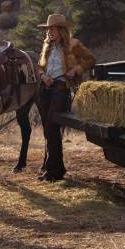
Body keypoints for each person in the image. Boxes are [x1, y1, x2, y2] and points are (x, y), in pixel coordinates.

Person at [35, 14, 96, 181]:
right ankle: (57, 169)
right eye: (48, 29)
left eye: (52, 29)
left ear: (61, 30)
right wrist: (43, 76)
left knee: (51, 127)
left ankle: (52, 170)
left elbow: (91, 59)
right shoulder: (46, 46)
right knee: (49, 130)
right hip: (45, 89)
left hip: (61, 89)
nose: (49, 32)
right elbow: (40, 66)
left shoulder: (73, 45)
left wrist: (75, 70)